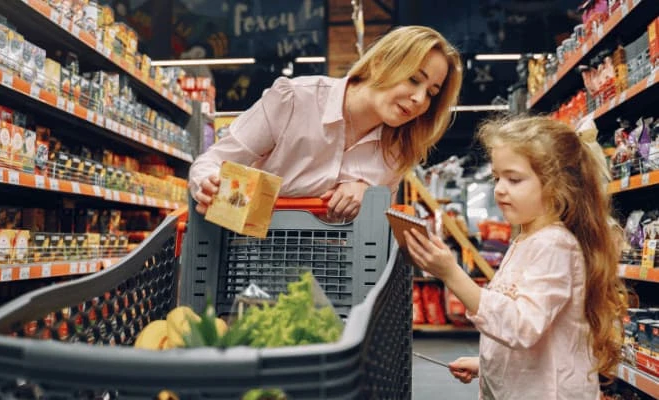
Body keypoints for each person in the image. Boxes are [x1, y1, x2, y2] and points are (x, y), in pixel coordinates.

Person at [404, 116, 627, 399]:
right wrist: (487, 365)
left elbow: (523, 326)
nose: (499, 188)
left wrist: (452, 275)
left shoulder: (554, 245)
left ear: (557, 186)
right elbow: (533, 334)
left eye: (514, 179)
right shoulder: (527, 239)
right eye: (497, 177)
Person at [189, 26, 463, 222]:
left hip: (334, 278)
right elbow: (210, 162)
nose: (419, 99)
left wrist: (368, 197)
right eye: (414, 79)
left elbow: (376, 235)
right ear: (380, 64)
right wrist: (210, 186)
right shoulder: (295, 100)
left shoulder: (398, 149)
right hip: (248, 261)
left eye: (431, 93)